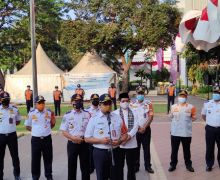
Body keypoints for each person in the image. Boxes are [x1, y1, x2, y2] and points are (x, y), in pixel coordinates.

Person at [85, 94, 128, 180]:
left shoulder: (117, 117)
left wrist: (119, 141)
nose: (108, 106)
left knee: (117, 176)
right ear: (100, 105)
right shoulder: (94, 119)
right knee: (101, 177)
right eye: (105, 103)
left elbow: (125, 134)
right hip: (100, 153)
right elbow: (87, 138)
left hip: (116, 151)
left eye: (109, 103)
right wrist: (101, 141)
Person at [25, 95, 56, 180]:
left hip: (47, 139)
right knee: (35, 159)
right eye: (39, 103)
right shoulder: (31, 113)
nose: (41, 104)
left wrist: (46, 130)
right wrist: (36, 131)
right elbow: (27, 126)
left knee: (48, 158)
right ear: (35, 104)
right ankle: (35, 176)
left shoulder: (49, 112)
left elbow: (52, 124)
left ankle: (48, 175)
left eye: (42, 103)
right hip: (36, 140)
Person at [60, 94, 90, 180]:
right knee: (72, 166)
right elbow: (64, 131)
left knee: (85, 167)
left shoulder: (87, 114)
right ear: (72, 102)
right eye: (76, 100)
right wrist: (73, 138)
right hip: (72, 144)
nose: (78, 102)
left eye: (80, 100)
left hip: (84, 143)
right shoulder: (67, 115)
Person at [168, 90, 196, 172]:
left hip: (186, 133)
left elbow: (194, 118)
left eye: (184, 96)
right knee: (174, 150)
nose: (182, 97)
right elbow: (170, 116)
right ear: (178, 97)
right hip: (175, 132)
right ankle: (173, 165)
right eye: (181, 96)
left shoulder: (191, 107)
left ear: (186, 97)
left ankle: (188, 165)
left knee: (187, 150)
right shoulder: (173, 107)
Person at [114, 92, 138, 180]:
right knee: (119, 166)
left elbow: (136, 125)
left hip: (131, 144)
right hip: (119, 145)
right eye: (123, 101)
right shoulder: (115, 113)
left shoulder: (134, 112)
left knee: (131, 167)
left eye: (127, 101)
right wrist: (121, 139)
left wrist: (128, 136)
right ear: (119, 102)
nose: (125, 103)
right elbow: (114, 128)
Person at [130, 86, 154, 173]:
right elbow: (131, 118)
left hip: (146, 129)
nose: (140, 95)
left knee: (146, 149)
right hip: (136, 130)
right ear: (136, 94)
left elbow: (151, 116)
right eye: (139, 93)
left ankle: (148, 166)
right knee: (136, 149)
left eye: (142, 93)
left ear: (144, 94)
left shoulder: (148, 103)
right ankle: (136, 166)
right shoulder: (132, 104)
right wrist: (138, 128)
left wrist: (144, 127)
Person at [0, 92, 21, 180]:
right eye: (4, 100)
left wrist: (10, 126)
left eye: (7, 99)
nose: (6, 101)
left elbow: (18, 121)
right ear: (0, 100)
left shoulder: (15, 109)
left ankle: (17, 175)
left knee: (15, 156)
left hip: (12, 136)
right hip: (1, 136)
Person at [202, 87, 220, 171]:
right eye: (215, 92)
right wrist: (210, 122)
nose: (216, 94)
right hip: (210, 129)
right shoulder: (207, 104)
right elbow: (203, 115)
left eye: (218, 92)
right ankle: (209, 164)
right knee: (209, 147)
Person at [86, 94, 100, 174]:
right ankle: (91, 167)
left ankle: (98, 166)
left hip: (99, 133)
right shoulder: (87, 110)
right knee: (90, 152)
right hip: (91, 134)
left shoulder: (101, 109)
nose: (95, 100)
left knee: (98, 151)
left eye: (97, 99)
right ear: (91, 100)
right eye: (94, 99)